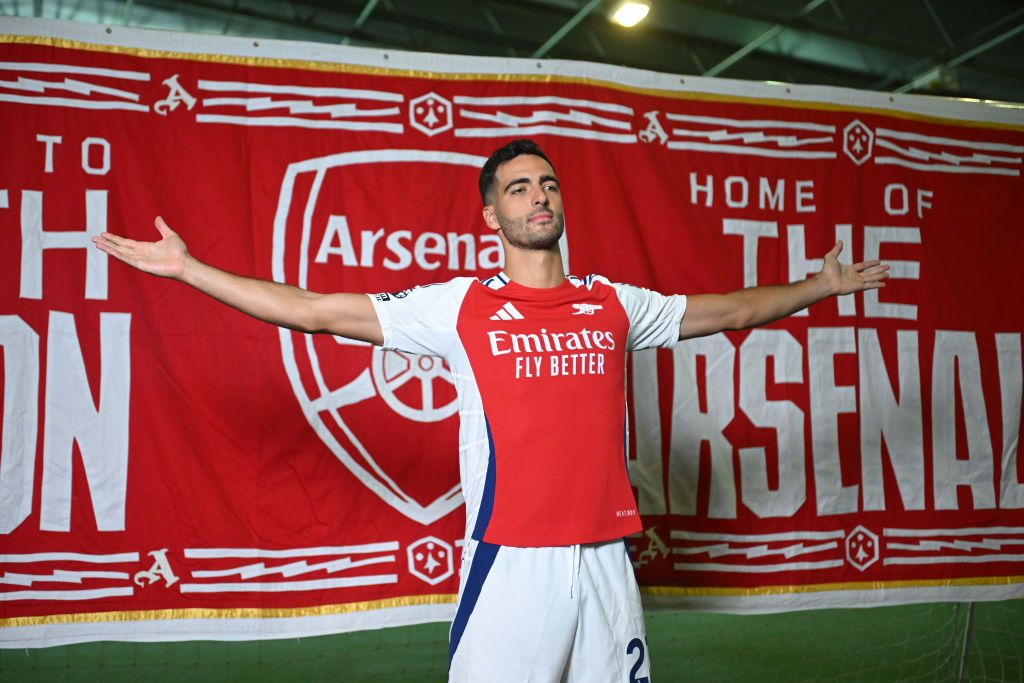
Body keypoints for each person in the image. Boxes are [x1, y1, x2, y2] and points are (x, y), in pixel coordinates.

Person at [93, 139, 888, 682]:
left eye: (546, 184)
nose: (537, 196)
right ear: (491, 216)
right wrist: (190, 270)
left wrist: (819, 287)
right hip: (512, 562)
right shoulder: (461, 305)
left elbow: (727, 312)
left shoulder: (611, 302)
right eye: (518, 189)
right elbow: (315, 310)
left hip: (607, 561)